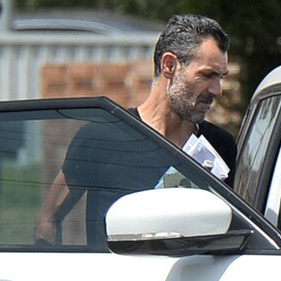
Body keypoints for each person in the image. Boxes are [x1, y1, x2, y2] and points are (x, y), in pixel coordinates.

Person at [34, 14, 237, 247]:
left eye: (220, 77)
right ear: (169, 65)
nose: (217, 90)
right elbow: (47, 222)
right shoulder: (101, 137)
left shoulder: (220, 146)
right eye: (207, 75)